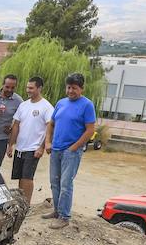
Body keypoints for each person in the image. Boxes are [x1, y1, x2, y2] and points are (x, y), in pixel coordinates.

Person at [44, 73, 96, 229]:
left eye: (74, 88)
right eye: (68, 87)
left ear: (81, 88)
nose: (71, 90)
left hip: (71, 152)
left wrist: (74, 147)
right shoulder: (61, 103)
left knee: (66, 184)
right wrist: (48, 142)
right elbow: (51, 124)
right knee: (54, 182)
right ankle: (56, 211)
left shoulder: (87, 105)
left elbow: (90, 130)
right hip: (56, 149)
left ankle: (64, 216)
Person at [6, 76, 53, 205]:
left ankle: (26, 204)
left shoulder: (46, 107)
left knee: (27, 177)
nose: (28, 90)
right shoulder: (23, 105)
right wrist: (11, 145)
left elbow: (50, 126)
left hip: (33, 148)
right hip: (20, 147)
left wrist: (42, 147)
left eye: (31, 88)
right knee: (20, 177)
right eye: (27, 87)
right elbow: (16, 125)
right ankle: (21, 202)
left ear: (39, 88)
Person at [0, 74, 23, 168]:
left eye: (13, 87)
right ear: (2, 84)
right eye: (7, 87)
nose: (10, 90)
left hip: (2, 139)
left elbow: (21, 120)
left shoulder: (19, 101)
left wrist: (12, 128)